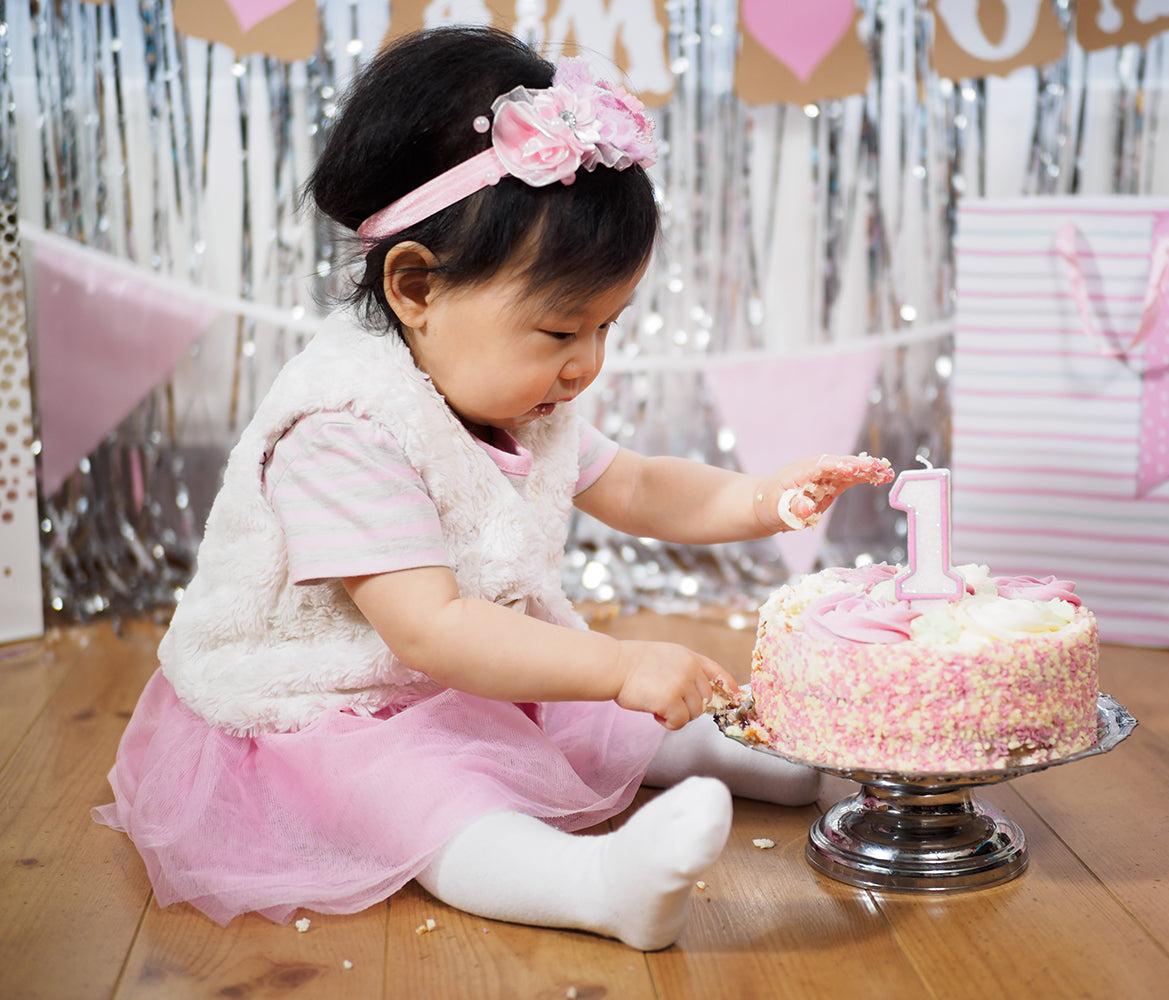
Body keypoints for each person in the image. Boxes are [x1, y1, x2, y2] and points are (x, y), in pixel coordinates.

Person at [93, 26, 893, 951]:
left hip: (468, 669)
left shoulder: (516, 401)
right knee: (430, 790)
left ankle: (759, 757)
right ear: (416, 287)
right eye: (560, 333)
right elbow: (431, 630)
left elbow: (636, 486)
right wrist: (628, 663)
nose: (587, 365)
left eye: (607, 327)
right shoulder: (343, 429)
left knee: (583, 708)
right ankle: (596, 885)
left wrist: (762, 497)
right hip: (330, 706)